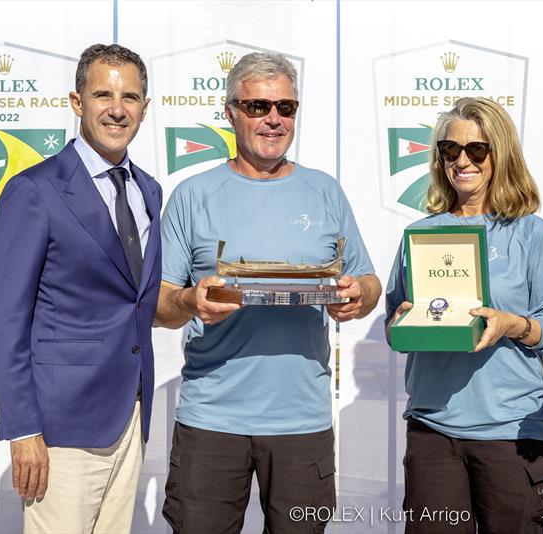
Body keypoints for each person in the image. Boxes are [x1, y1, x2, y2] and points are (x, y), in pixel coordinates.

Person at [155, 51, 381, 534]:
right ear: (230, 112)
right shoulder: (192, 195)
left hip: (302, 422)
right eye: (258, 107)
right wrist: (189, 301)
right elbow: (160, 303)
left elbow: (368, 280)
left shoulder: (325, 191)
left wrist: (358, 295)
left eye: (286, 107)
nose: (274, 119)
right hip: (212, 420)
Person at [0, 43, 160, 533]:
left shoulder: (148, 190)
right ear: (77, 101)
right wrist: (22, 428)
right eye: (103, 94)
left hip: (130, 416)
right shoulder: (34, 190)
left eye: (131, 96)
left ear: (146, 107)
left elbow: (136, 300)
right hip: (59, 429)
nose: (118, 108)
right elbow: (3, 319)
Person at [386, 97, 543, 534]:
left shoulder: (531, 232)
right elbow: (395, 321)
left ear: (499, 155)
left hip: (511, 433)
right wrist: (400, 328)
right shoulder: (420, 234)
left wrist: (513, 325)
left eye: (476, 150)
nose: (462, 161)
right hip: (434, 431)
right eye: (450, 150)